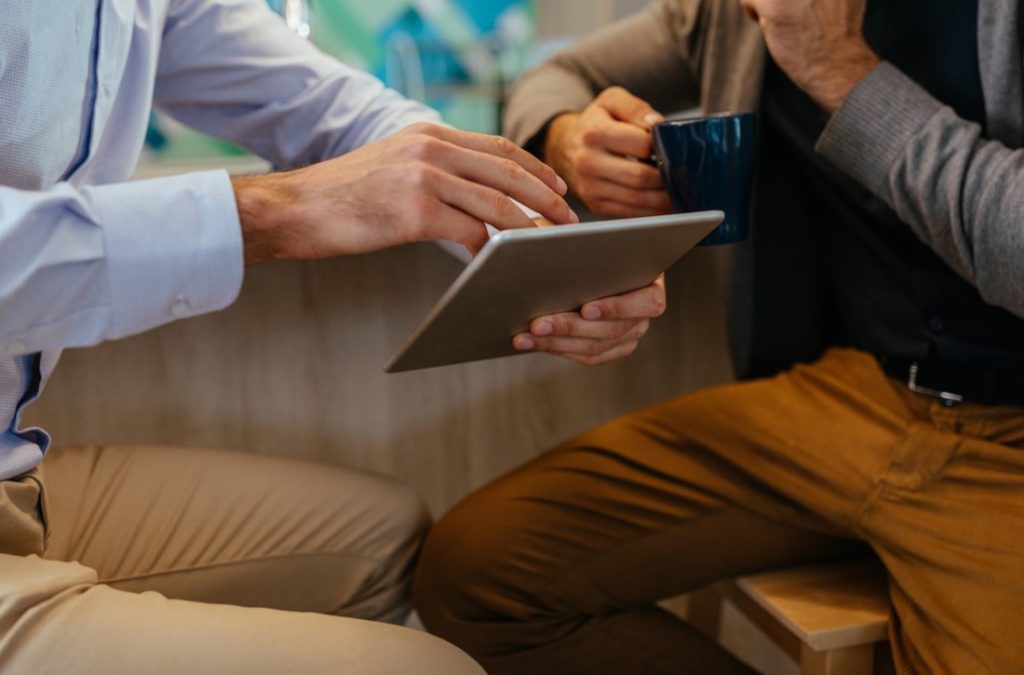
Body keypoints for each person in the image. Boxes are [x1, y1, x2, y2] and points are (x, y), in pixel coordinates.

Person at [0, 1, 669, 672]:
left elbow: (324, 106)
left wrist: (543, 256)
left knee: (387, 543)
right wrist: (277, 209)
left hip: (15, 475)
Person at [414, 0, 1024, 673]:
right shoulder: (738, 11)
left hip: (1009, 437)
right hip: (851, 395)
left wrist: (841, 72)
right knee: (473, 576)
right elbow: (557, 73)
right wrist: (568, 140)